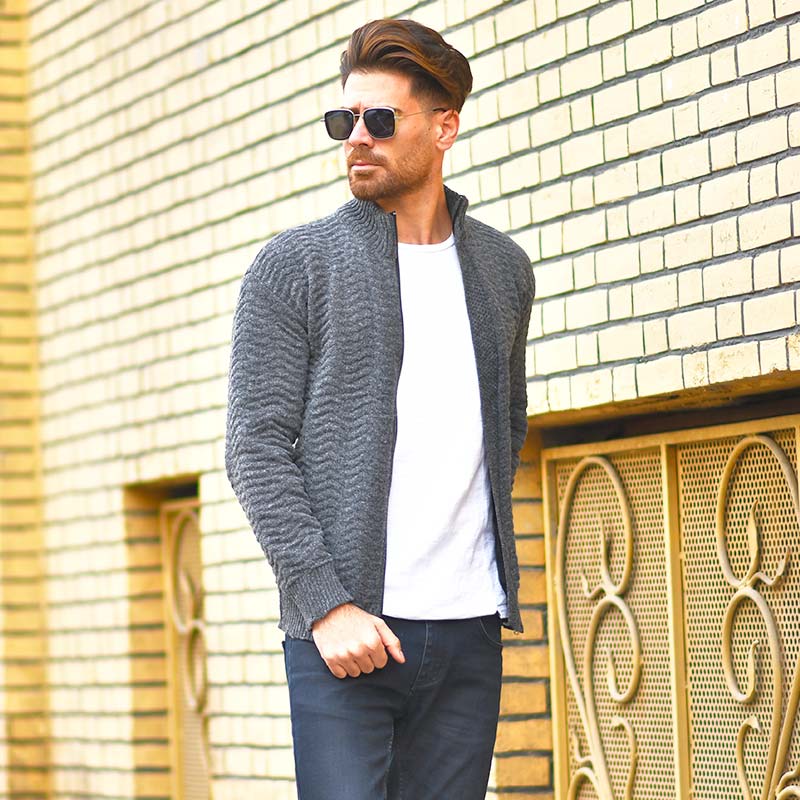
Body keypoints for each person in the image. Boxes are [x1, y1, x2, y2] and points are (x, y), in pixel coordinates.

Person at [225, 17, 535, 800]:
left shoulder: (503, 270)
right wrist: (324, 604)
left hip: (467, 630)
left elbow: (506, 427)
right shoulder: (294, 266)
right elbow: (255, 448)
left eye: (380, 119)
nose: (357, 138)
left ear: (444, 127)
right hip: (345, 635)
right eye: (344, 120)